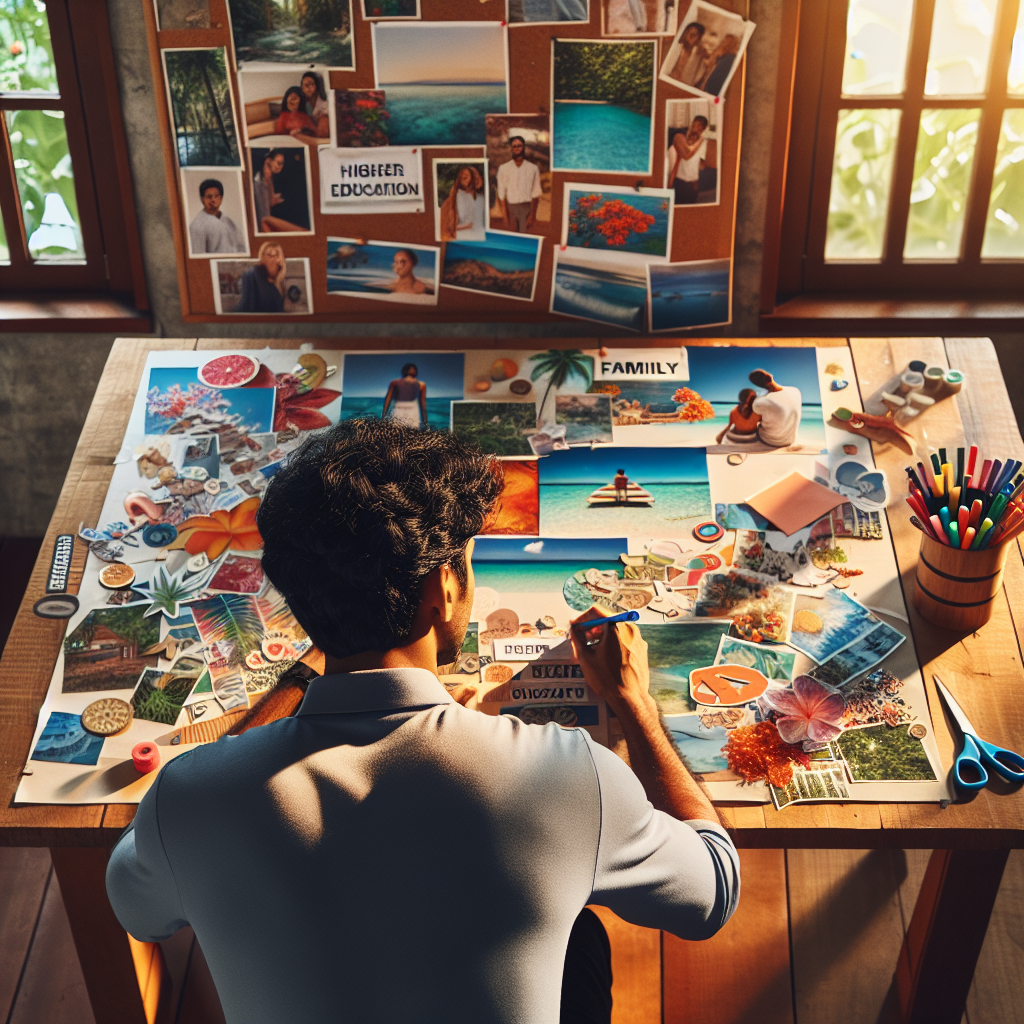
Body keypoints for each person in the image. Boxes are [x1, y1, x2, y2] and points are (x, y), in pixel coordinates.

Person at [106, 419, 739, 1024]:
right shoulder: (569, 776)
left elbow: (138, 910)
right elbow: (713, 891)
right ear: (444, 588)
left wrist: (295, 682)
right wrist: (637, 710)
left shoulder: (189, 798)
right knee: (582, 935)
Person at [497, 135, 543, 233]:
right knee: (512, 239)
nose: (517, 148)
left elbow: (536, 192)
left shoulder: (533, 168)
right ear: (511, 148)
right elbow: (501, 194)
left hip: (526, 208)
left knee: (525, 237)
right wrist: (505, 217)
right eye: (514, 146)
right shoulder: (503, 168)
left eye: (519, 145)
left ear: (523, 147)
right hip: (511, 209)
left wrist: (532, 215)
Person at [252, 149, 305, 233]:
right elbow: (263, 217)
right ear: (269, 161)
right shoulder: (258, 184)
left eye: (282, 164)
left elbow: (271, 202)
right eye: (279, 163)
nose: (281, 167)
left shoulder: (268, 181)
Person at [188, 178, 246, 254]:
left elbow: (242, 248)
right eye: (209, 197)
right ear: (202, 199)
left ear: (221, 198)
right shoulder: (197, 225)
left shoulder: (229, 222)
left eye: (216, 196)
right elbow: (198, 255)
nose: (213, 200)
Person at [749, 368, 802, 447]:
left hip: (771, 441)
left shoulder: (760, 402)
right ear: (769, 377)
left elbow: (752, 424)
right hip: (791, 440)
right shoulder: (795, 391)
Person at [665, 115, 708, 205]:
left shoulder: (702, 144)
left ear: (703, 130)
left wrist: (696, 186)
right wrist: (670, 182)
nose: (695, 128)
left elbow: (699, 166)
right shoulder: (681, 140)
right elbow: (683, 158)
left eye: (699, 127)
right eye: (694, 125)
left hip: (692, 185)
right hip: (679, 183)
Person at [235, 241, 286, 313]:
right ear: (262, 258)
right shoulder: (251, 277)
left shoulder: (277, 282)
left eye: (279, 256)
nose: (277, 260)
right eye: (272, 255)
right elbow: (246, 309)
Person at [439, 165, 486, 241]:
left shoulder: (480, 199)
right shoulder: (452, 201)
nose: (464, 177)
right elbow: (449, 227)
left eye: (467, 176)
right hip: (460, 238)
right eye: (462, 176)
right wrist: (467, 226)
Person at [383, 362, 428, 428]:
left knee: (397, 432)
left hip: (403, 409)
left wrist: (383, 419)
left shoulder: (395, 382)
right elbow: (423, 406)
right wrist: (426, 425)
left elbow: (387, 401)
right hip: (409, 409)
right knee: (412, 433)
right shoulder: (421, 384)